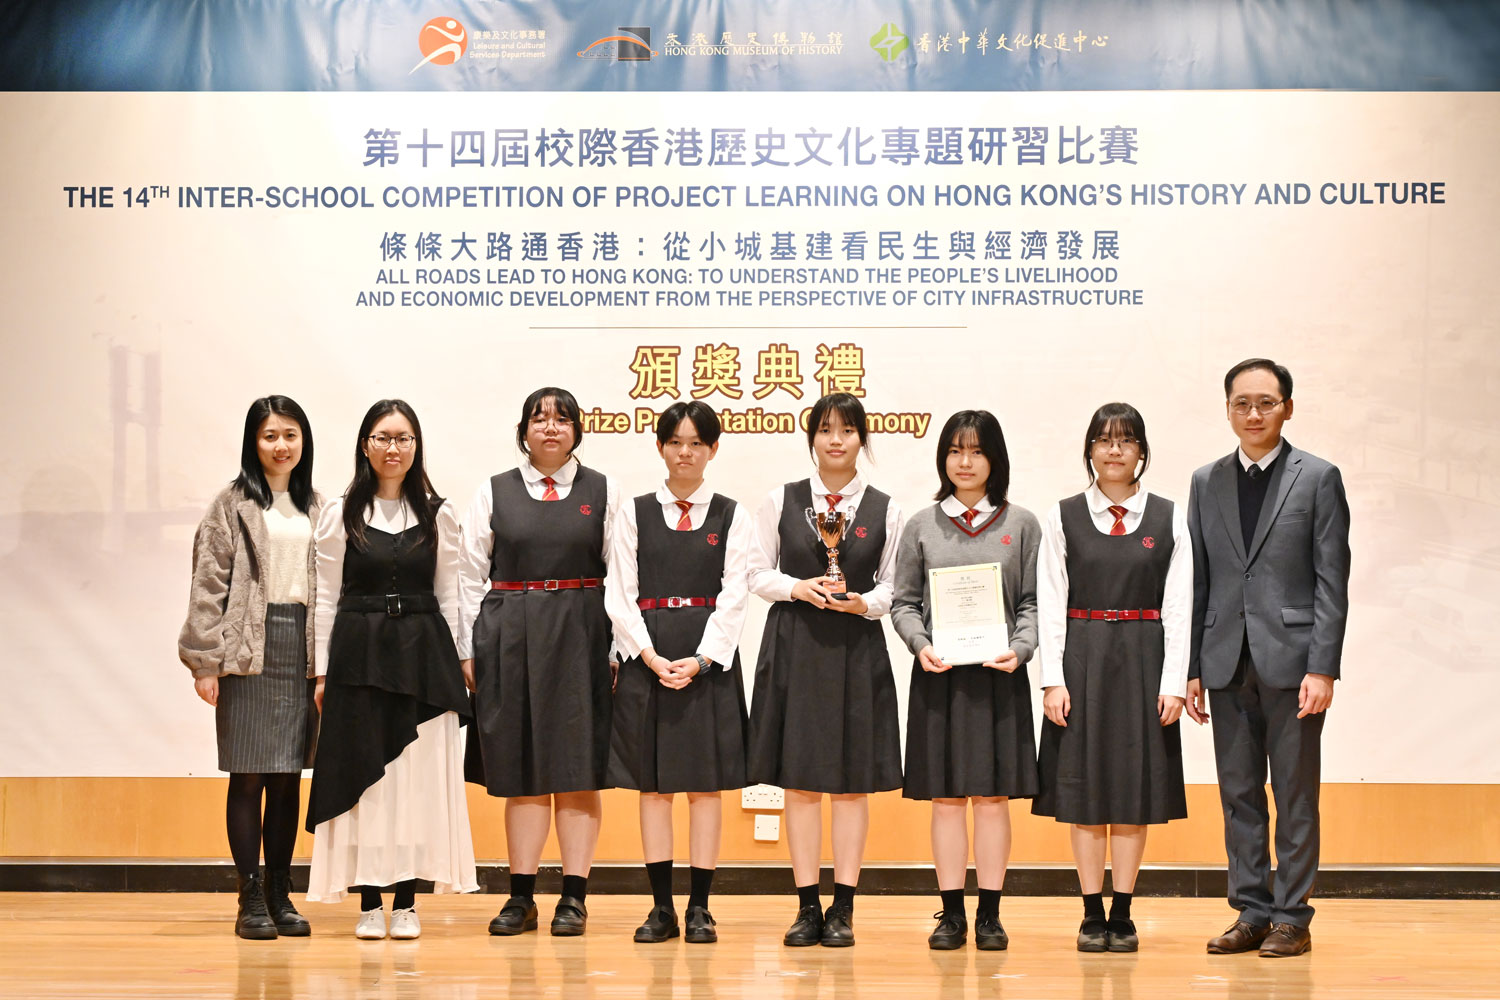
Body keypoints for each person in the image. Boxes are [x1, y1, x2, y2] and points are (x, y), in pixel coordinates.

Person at [1186, 359, 1350, 958]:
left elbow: (1332, 580)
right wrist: (1192, 666)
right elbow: (1198, 578)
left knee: (1295, 794)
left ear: (1287, 408)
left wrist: (1323, 667)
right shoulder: (1205, 481)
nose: (1253, 414)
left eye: (1265, 402)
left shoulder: (1318, 477)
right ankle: (1252, 911)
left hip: (1295, 664)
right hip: (1225, 661)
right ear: (1228, 409)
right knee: (1239, 794)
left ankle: (1292, 917)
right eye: (1241, 403)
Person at [304, 399, 476, 940]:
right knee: (366, 777)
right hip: (359, 656)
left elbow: (451, 593)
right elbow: (325, 598)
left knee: (415, 780)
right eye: (383, 437)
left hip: (424, 656)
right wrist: (322, 672)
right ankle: (369, 903)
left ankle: (406, 902)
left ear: (416, 445)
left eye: (403, 438)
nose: (393, 448)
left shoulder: (439, 512)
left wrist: (462, 658)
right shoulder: (340, 513)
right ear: (365, 445)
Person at [459, 387, 620, 937]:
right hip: (512, 634)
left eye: (562, 419)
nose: (551, 427)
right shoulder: (493, 490)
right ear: (523, 431)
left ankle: (574, 898)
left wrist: (617, 648)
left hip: (582, 633)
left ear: (577, 430)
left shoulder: (604, 491)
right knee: (523, 772)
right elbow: (468, 576)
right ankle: (521, 898)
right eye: (539, 418)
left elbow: (622, 576)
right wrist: (467, 649)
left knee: (578, 771)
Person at [746, 392, 905, 948]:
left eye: (847, 430)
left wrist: (865, 603)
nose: (836, 440)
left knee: (852, 786)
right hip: (797, 644)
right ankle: (807, 906)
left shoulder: (887, 508)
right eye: (825, 429)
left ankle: (844, 908)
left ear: (862, 438)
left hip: (856, 648)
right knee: (800, 784)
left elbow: (894, 586)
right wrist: (797, 587)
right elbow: (755, 573)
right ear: (811, 437)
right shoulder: (780, 500)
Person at [1033, 402, 1191, 953]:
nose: (1115, 450)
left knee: (1131, 791)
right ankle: (1090, 912)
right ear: (1090, 450)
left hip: (1144, 659)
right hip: (1083, 657)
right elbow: (1050, 602)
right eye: (1104, 440)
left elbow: (1179, 607)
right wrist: (1052, 679)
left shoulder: (1170, 516)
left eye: (1126, 440)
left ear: (1142, 451)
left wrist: (1173, 683)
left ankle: (1122, 912)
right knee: (1084, 792)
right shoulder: (1063, 516)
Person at [892, 410, 1040, 951]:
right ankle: (951, 914)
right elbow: (904, 603)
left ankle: (991, 915)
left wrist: (1020, 649)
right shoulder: (921, 525)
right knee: (948, 801)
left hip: (1000, 678)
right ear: (943, 459)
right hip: (941, 678)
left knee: (993, 800)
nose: (965, 461)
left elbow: (1033, 603)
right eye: (955, 450)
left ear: (994, 459)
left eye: (977, 451)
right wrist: (921, 645)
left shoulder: (1022, 524)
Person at [604, 401, 752, 945]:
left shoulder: (733, 514)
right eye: (675, 442)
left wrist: (703, 659)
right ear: (660, 447)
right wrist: (647, 655)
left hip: (706, 661)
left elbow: (735, 594)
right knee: (654, 788)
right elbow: (619, 593)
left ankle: (700, 908)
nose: (684, 453)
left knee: (705, 788)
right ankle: (661, 908)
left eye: (696, 443)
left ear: (713, 449)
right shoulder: (633, 512)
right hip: (649, 656)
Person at [179, 395, 321, 940]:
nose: (281, 445)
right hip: (245, 652)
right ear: (253, 442)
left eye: (290, 434)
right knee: (248, 776)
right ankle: (250, 896)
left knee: (287, 779)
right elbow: (207, 585)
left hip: (300, 652)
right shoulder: (231, 504)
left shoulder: (320, 506)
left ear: (304, 440)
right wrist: (204, 662)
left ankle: (282, 893)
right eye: (269, 435)